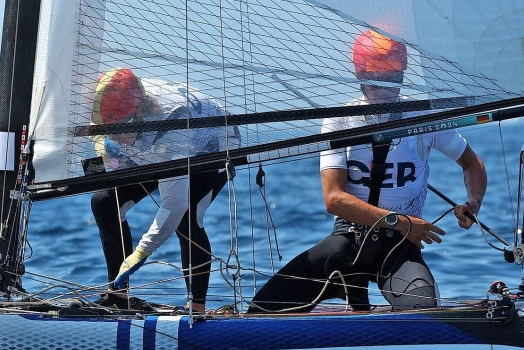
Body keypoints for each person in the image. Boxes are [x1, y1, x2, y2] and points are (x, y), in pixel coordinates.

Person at [251, 30, 487, 313]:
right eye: (374, 81)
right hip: (349, 239)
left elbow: (472, 163)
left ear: (401, 77)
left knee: (423, 310)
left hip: (399, 244)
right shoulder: (340, 121)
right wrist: (401, 221)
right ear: (360, 77)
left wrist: (473, 203)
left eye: (391, 80)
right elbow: (334, 199)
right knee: (262, 309)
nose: (383, 89)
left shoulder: (423, 118)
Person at [88, 67, 238, 314]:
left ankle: (196, 307)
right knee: (105, 202)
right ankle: (118, 298)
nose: (116, 136)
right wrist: (107, 154)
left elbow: (174, 204)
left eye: (120, 129)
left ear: (137, 115)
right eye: (108, 129)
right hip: (153, 145)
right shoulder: (108, 102)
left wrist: (141, 252)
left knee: (186, 218)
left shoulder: (172, 125)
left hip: (211, 147)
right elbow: (103, 145)